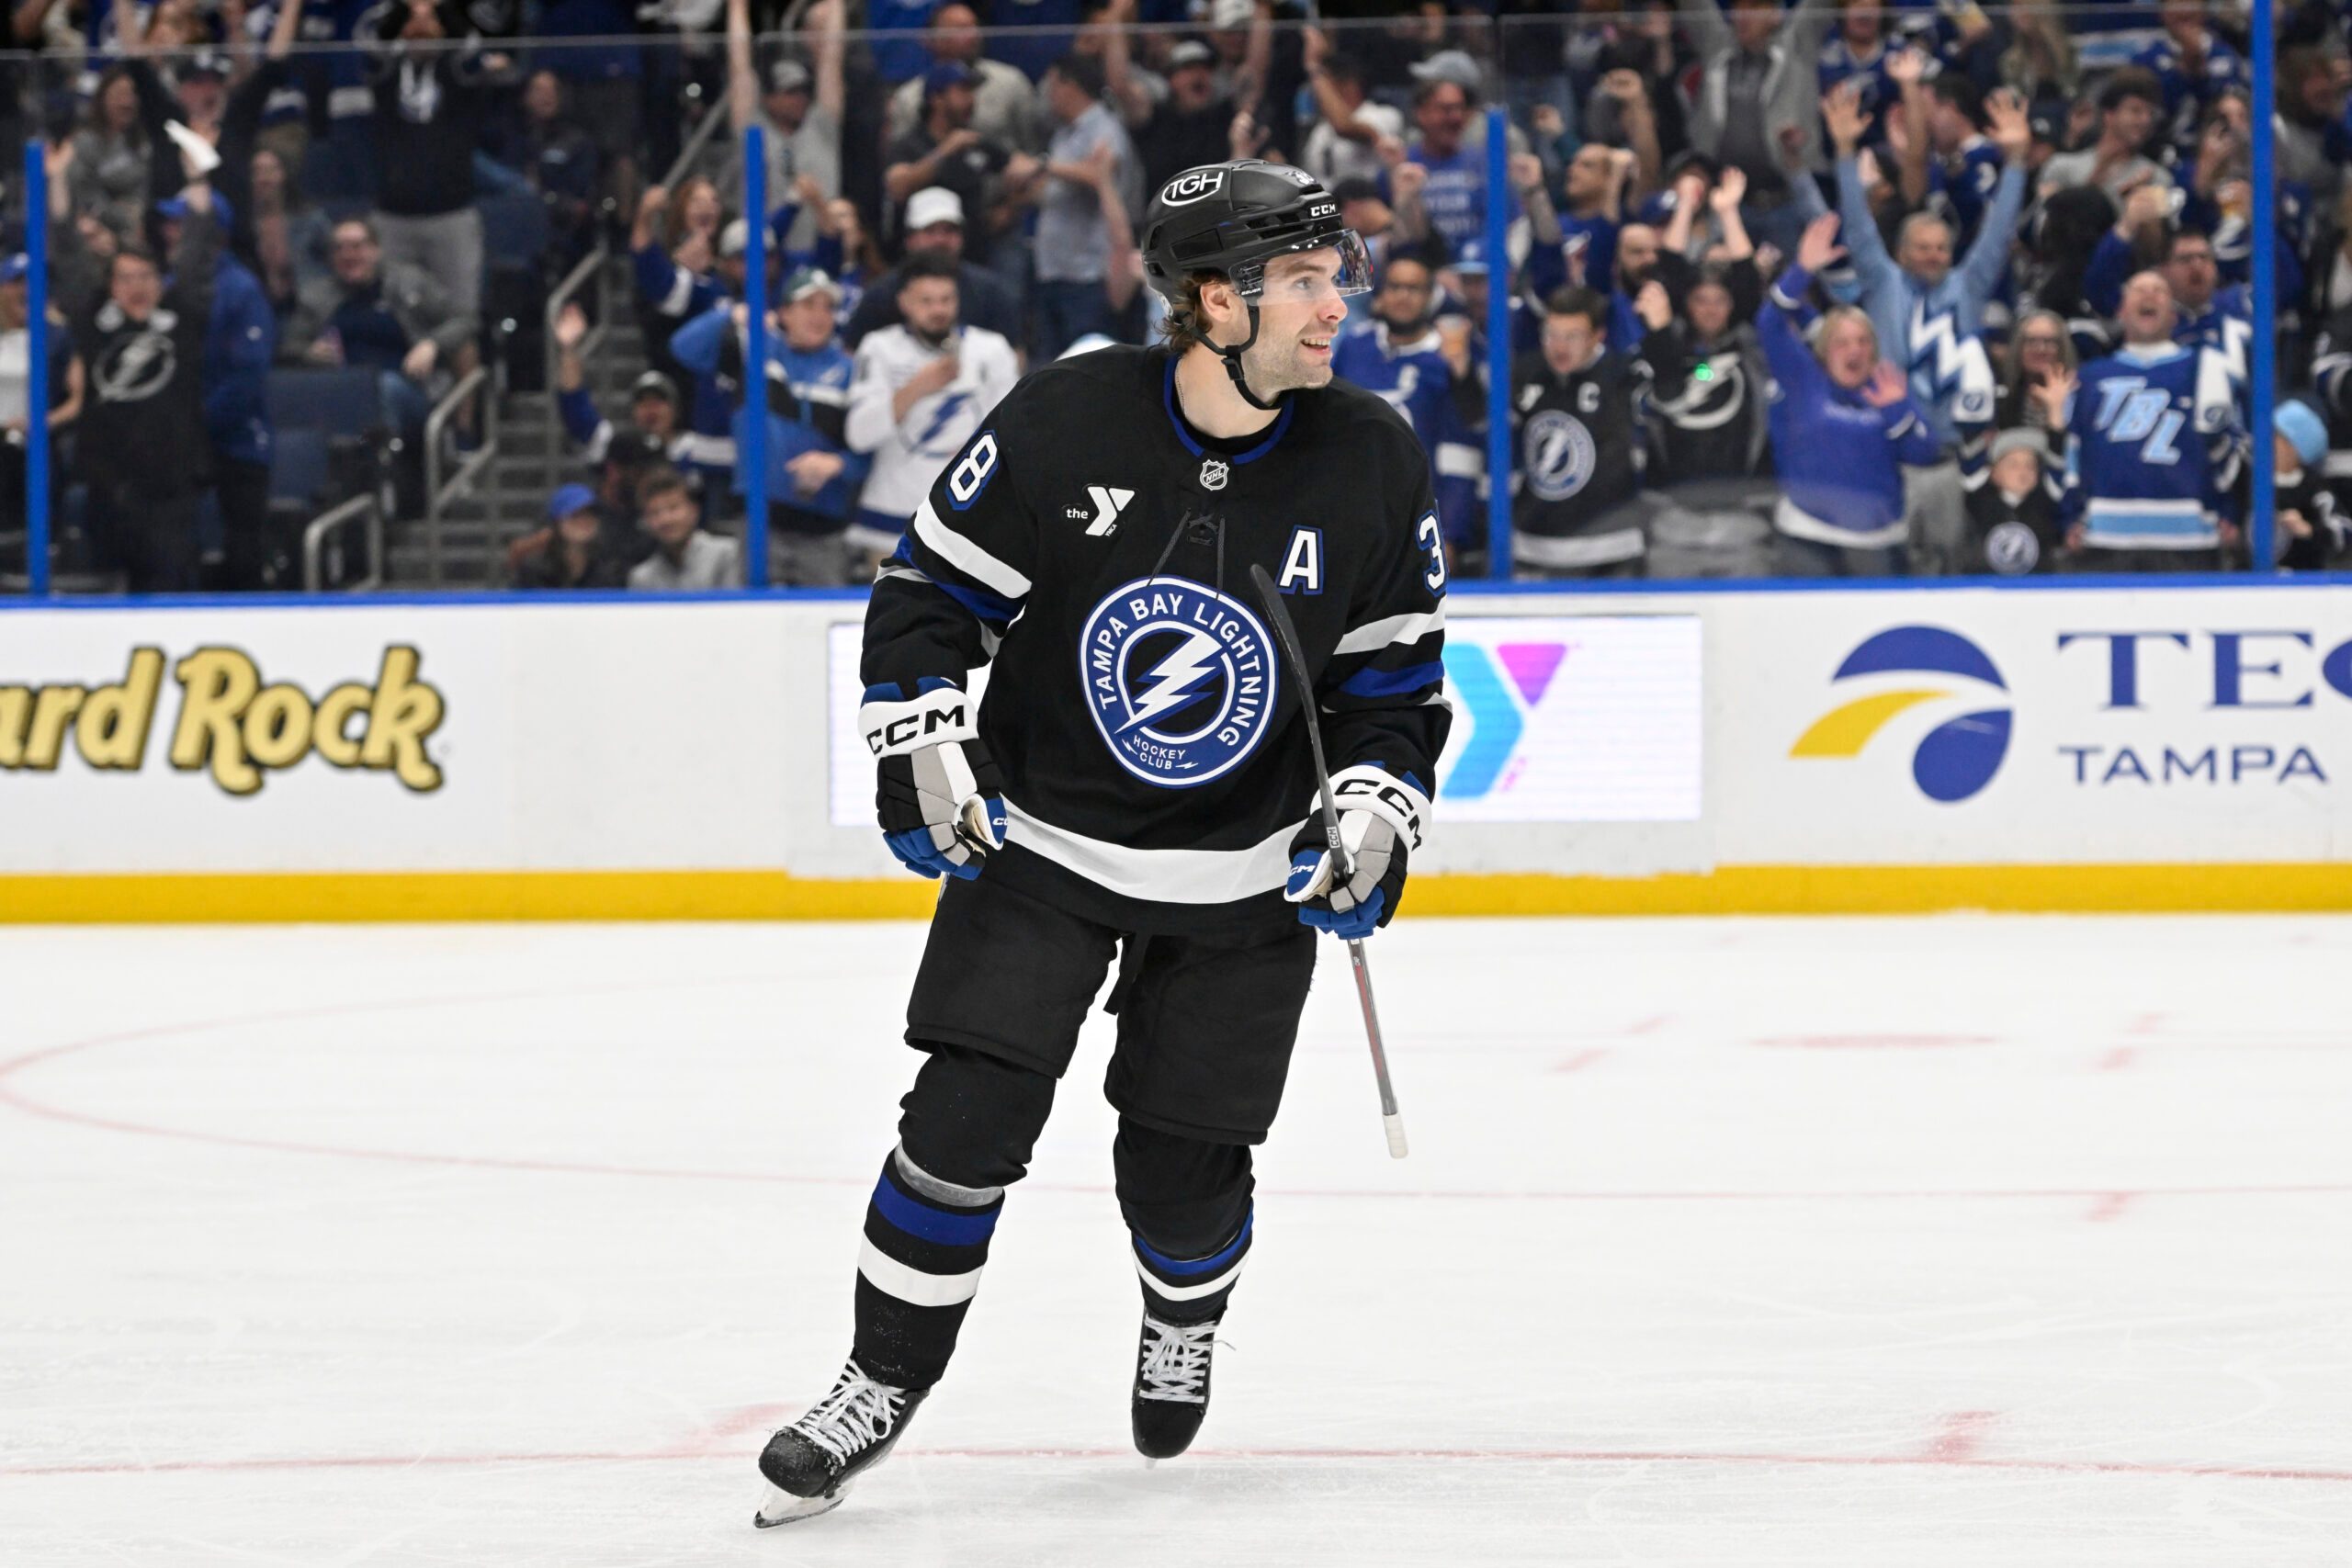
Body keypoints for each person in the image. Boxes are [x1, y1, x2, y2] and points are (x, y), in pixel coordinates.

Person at [752, 158, 1449, 1526]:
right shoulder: (1069, 417)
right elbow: (928, 595)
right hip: (1046, 842)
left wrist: (1371, 807)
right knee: (962, 1119)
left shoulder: (1370, 450)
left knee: (1179, 1182)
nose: (1334, 310)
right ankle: (875, 1379)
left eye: (1331, 278)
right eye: (1302, 281)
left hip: (1245, 878)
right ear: (1211, 302)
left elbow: (1393, 683)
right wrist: (924, 740)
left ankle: (1180, 1309)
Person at [62, 154, 220, 592]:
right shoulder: (96, 324)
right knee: (106, 595)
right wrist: (57, 178)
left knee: (168, 587)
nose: (136, 287)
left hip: (169, 493)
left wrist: (198, 179)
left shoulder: (180, 323)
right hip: (108, 488)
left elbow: (198, 256)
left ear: (159, 281)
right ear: (112, 285)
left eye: (145, 276)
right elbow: (66, 252)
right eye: (126, 278)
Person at [1757, 214, 1941, 575]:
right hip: (1808, 542)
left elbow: (1924, 453)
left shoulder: (1887, 387)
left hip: (1881, 546)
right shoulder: (1801, 378)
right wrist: (1801, 270)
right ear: (1825, 349)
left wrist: (1896, 410)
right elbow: (1770, 324)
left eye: (1862, 341)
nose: (1853, 350)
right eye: (1842, 342)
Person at [673, 268, 875, 586]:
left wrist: (837, 465)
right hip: (759, 524)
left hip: (823, 529)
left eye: (828, 307)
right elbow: (684, 348)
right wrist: (735, 314)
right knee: (754, 623)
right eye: (808, 305)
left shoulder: (851, 371)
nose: (819, 316)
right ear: (784, 313)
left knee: (820, 623)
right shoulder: (757, 349)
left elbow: (872, 451)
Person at [2062, 269, 2245, 570]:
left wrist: (2229, 511)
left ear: (2173, 314)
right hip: (2106, 538)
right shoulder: (2090, 376)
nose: (2148, 295)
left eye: (2158, 290)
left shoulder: (2203, 368)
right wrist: (2070, 518)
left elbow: (2228, 444)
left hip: (2190, 539)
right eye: (2138, 290)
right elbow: (2074, 453)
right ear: (2121, 310)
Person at [844, 252, 1020, 558]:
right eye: (926, 301)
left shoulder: (991, 350)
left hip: (970, 523)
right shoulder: (879, 348)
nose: (938, 310)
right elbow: (859, 435)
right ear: (904, 302)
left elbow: (1013, 436)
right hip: (889, 522)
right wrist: (917, 388)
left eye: (946, 299)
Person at [1330, 249, 1480, 550]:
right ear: (1382, 293)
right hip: (1352, 510)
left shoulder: (1448, 357)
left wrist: (1449, 533)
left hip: (1418, 516)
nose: (1402, 297)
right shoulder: (1354, 345)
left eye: (1414, 288)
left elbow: (1462, 447)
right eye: (1395, 286)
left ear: (1430, 296)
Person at [1510, 286, 1652, 578]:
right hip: (1534, 548)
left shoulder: (1622, 376)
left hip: (1612, 551)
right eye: (1552, 334)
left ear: (1598, 336)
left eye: (1572, 336)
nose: (1559, 346)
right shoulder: (1524, 373)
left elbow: (1669, 394)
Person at [362, 0, 492, 317]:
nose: (421, 32)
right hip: (393, 217)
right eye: (413, 29)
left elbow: (474, 45)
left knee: (461, 314)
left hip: (451, 215)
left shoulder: (457, 72)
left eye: (430, 28)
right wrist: (405, 8)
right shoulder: (388, 75)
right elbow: (372, 42)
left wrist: (442, 7)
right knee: (393, 313)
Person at [1030, 53, 1132, 361]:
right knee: (1049, 366)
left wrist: (1043, 165)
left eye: (1052, 86)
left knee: (1087, 363)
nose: (1048, 95)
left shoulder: (1104, 125)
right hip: (1054, 269)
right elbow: (1050, 188)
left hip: (1088, 274)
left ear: (1068, 85)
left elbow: (1099, 172)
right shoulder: (1064, 132)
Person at [728, 0, 843, 255]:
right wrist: (737, 7)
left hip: (820, 249)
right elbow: (739, 68)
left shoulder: (821, 126)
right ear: (769, 98)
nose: (799, 98)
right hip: (767, 257)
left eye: (803, 90)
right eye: (789, 92)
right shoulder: (754, 127)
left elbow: (831, 61)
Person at [842, 188, 1022, 348]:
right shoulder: (881, 293)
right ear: (910, 239)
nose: (940, 240)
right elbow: (852, 352)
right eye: (930, 231)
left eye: (949, 231)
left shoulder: (990, 290)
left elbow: (1015, 352)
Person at [1963, 428, 2067, 575]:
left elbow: (2057, 464)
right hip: (1985, 591)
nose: (2023, 471)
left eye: (2030, 465)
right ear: (1994, 473)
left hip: (2039, 591)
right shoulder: (1978, 503)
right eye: (2013, 465)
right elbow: (1969, 472)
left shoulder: (2046, 504)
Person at [627, 467, 743, 589]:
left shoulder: (726, 555)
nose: (666, 519)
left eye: (673, 508)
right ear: (646, 522)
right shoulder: (642, 578)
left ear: (694, 511)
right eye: (655, 513)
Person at [511, 482, 630, 589]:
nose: (584, 521)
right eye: (575, 515)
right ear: (557, 523)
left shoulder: (611, 571)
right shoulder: (534, 572)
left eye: (591, 514)